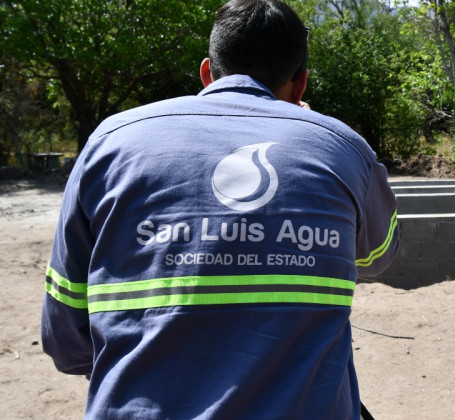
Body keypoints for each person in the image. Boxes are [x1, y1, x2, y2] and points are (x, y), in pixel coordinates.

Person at [41, 0, 399, 418]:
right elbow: (375, 259)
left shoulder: (111, 141)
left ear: (207, 72)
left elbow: (65, 337)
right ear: (300, 84)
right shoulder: (345, 148)